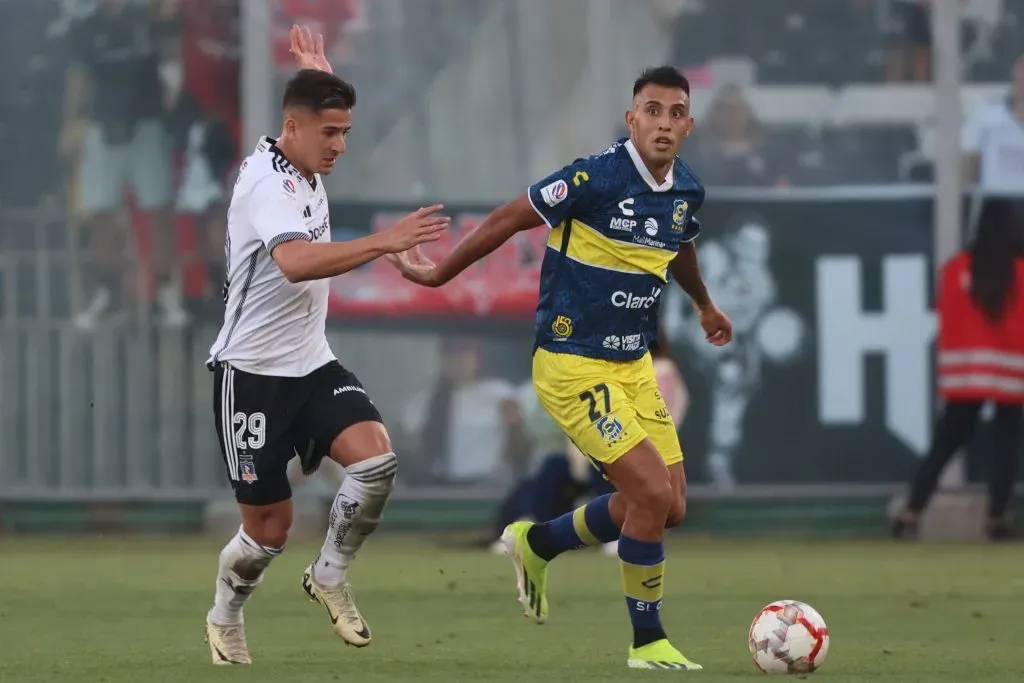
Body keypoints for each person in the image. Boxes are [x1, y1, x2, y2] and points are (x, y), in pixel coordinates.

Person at [389, 66, 732, 671]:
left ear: (688, 125)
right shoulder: (592, 178)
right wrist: (440, 275)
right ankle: (647, 642)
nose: (663, 123)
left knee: (670, 505)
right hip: (572, 364)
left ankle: (537, 542)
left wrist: (704, 304)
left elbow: (678, 240)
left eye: (676, 113)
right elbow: (507, 217)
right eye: (652, 110)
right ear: (632, 119)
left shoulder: (686, 189)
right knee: (650, 492)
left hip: (632, 364)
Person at [202, 26, 449, 665]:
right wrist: (386, 241)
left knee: (376, 462)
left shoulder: (303, 156)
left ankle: (330, 574)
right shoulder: (268, 183)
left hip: (310, 361)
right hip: (251, 373)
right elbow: (296, 263)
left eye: (345, 132)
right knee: (268, 531)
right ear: (292, 127)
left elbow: (318, 111)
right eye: (330, 133)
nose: (339, 145)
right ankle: (225, 615)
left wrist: (321, 72)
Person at [893, 199, 1024, 542]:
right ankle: (996, 519)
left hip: (965, 373)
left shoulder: (955, 269)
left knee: (946, 444)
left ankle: (910, 512)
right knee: (1005, 448)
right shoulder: (1019, 271)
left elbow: (947, 318)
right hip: (1010, 372)